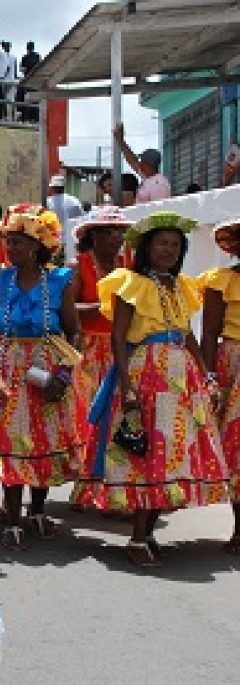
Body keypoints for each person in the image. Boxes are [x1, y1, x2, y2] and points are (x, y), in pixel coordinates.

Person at [80, 213, 227, 567]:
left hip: (181, 380)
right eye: (162, 243)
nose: (168, 250)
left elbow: (187, 333)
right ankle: (137, 536)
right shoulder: (131, 284)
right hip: (147, 374)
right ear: (146, 247)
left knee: (171, 452)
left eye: (175, 245)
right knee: (149, 454)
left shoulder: (181, 287)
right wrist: (127, 387)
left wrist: (206, 374)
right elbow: (118, 337)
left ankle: (148, 533)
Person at [0, 205, 85, 549]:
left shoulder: (58, 281)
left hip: (47, 367)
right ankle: (12, 519)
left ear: (37, 246)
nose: (11, 249)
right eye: (8, 242)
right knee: (11, 443)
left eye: (18, 243)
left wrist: (64, 373)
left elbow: (74, 331)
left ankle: (37, 511)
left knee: (43, 441)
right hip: (8, 371)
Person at [67, 208, 133, 510]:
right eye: (109, 232)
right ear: (93, 236)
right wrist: (101, 306)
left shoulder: (129, 266)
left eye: (119, 232)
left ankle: (115, 489)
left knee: (118, 421)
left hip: (121, 351)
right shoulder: (79, 266)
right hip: (89, 351)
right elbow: (67, 310)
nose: (116, 238)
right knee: (90, 420)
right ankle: (87, 488)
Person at [200, 217, 240, 553]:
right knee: (234, 445)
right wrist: (208, 376)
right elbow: (209, 332)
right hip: (233, 362)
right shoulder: (220, 281)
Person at [112, 125, 172, 204]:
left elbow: (158, 210)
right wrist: (121, 141)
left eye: (142, 161)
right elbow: (132, 161)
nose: (140, 163)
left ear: (148, 164)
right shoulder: (148, 178)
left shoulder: (159, 185)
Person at [45, 175, 83, 240]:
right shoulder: (74, 201)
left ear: (51, 187)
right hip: (70, 239)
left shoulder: (47, 202)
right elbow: (80, 221)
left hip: (52, 240)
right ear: (64, 187)